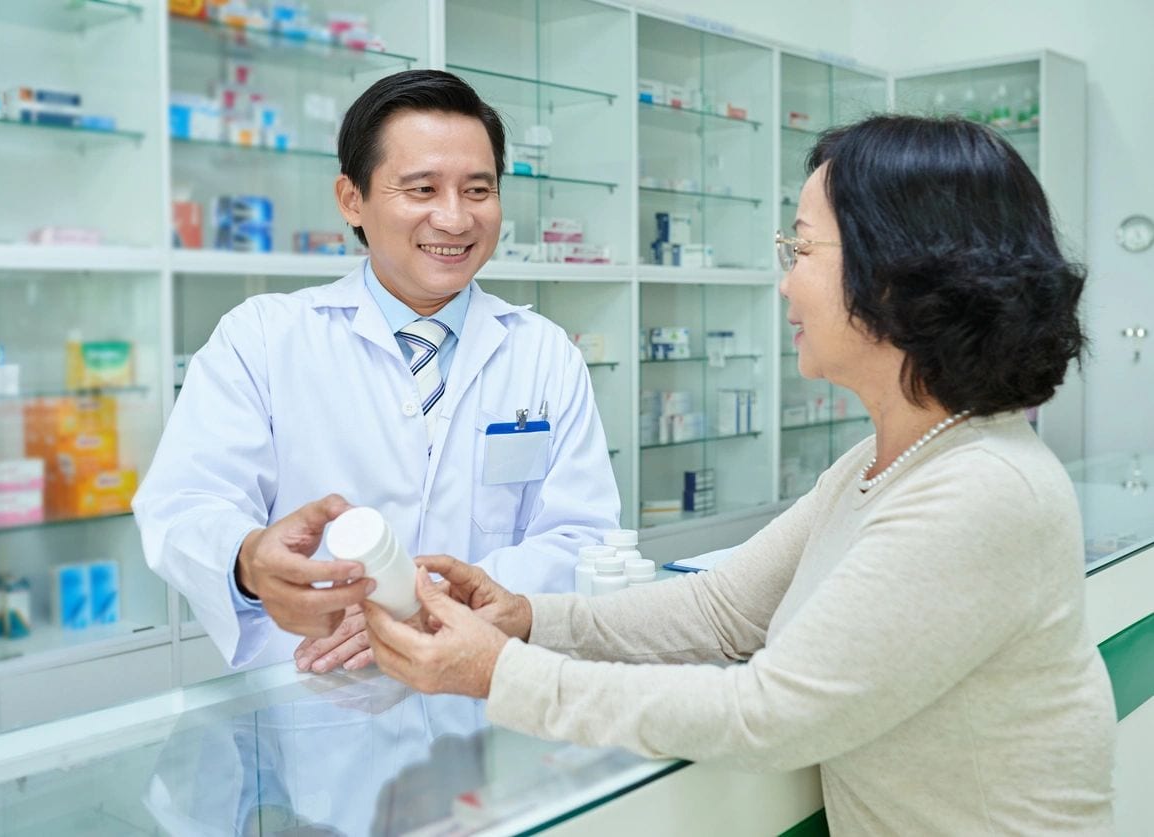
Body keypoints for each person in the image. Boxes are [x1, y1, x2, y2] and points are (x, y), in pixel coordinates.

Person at [363, 115, 1118, 834]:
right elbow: (723, 610)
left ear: (899, 272)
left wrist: (502, 672)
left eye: (804, 250)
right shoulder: (886, 459)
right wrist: (527, 617)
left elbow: (768, 714)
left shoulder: (979, 488)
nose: (785, 283)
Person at [133, 69, 619, 673]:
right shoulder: (262, 337)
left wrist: (430, 603)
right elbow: (185, 504)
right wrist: (248, 559)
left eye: (477, 189)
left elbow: (583, 536)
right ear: (351, 198)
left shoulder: (544, 353)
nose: (455, 219)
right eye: (421, 189)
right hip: (318, 690)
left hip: (489, 685)